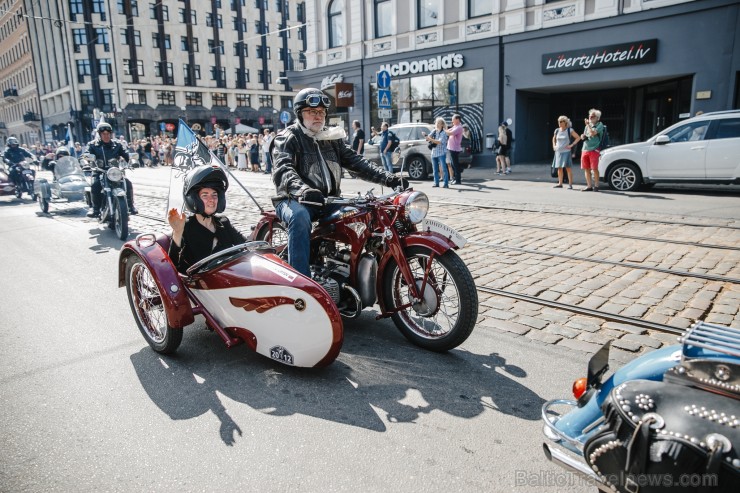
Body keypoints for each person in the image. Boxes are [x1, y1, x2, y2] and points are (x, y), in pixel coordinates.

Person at [271, 87, 407, 277]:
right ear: (300, 114)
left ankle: (359, 272)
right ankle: (301, 283)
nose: (317, 116)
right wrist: (303, 190)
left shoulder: (331, 138)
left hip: (328, 200)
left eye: (321, 112)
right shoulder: (288, 137)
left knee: (366, 212)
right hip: (294, 199)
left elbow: (357, 162)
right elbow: (283, 170)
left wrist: (387, 177)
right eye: (311, 112)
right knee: (300, 217)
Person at [167, 165, 247, 274]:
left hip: (231, 279)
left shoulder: (223, 222)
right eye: (205, 195)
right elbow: (172, 264)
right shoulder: (186, 226)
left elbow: (245, 244)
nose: (211, 200)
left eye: (215, 195)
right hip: (200, 286)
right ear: (194, 199)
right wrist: (177, 232)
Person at [85, 121, 137, 217]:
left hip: (115, 173)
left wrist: (133, 161)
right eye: (104, 134)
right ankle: (95, 209)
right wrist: (85, 162)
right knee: (95, 186)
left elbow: (126, 154)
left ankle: (130, 206)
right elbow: (85, 155)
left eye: (108, 134)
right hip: (100, 171)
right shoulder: (93, 145)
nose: (106, 136)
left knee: (128, 183)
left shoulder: (117, 145)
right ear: (100, 134)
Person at [552, 116, 581, 189]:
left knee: (568, 168)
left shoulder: (569, 130)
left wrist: (572, 145)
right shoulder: (557, 130)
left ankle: (570, 184)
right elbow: (554, 138)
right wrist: (554, 146)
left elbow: (578, 137)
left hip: (566, 152)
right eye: (559, 121)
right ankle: (560, 183)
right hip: (558, 151)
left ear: (565, 123)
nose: (559, 123)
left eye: (561, 121)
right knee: (559, 168)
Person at [580, 108, 605, 192]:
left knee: (594, 168)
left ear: (597, 118)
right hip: (585, 149)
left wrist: (588, 125)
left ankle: (596, 185)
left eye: (593, 116)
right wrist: (582, 136)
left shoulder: (600, 125)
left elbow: (593, 133)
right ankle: (589, 186)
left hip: (594, 149)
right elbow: (586, 134)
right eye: (590, 116)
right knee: (586, 168)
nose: (590, 117)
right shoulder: (587, 126)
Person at [425, 117, 449, 188]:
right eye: (436, 123)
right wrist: (426, 136)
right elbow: (428, 138)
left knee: (444, 169)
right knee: (435, 169)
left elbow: (439, 142)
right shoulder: (434, 131)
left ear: (442, 125)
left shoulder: (444, 132)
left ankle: (446, 183)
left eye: (439, 123)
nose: (437, 124)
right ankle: (436, 183)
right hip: (434, 153)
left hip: (441, 153)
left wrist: (430, 139)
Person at [445, 114, 463, 184]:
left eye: (453, 119)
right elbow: (448, 130)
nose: (452, 120)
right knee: (453, 164)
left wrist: (444, 130)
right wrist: (444, 130)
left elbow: (450, 133)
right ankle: (455, 179)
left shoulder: (459, 127)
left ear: (457, 120)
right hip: (451, 148)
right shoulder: (455, 126)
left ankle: (458, 180)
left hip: (454, 148)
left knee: (455, 165)